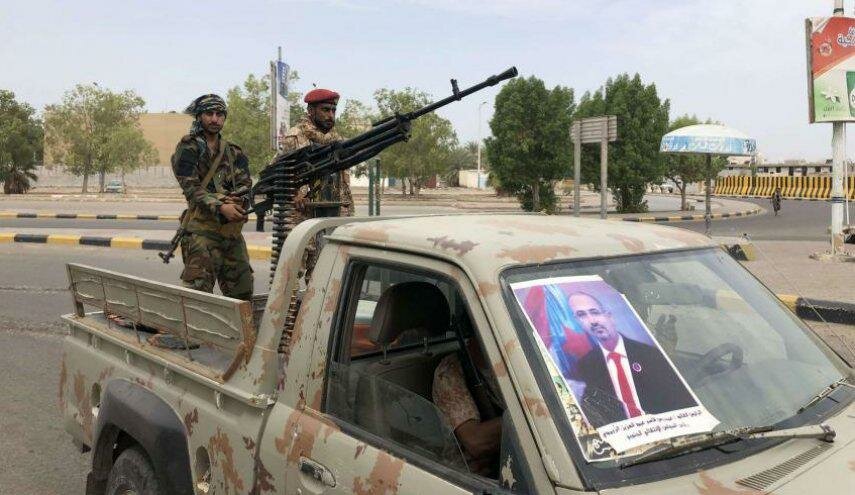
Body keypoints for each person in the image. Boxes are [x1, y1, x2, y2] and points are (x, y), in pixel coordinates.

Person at [568, 292, 696, 428]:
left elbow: (683, 404)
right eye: (582, 315)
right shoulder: (583, 368)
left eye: (595, 312)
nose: (592, 321)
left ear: (609, 316)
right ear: (578, 323)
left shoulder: (651, 355)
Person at [170, 94, 253, 301]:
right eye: (209, 114)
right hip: (202, 232)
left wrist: (239, 201)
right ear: (199, 116)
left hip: (231, 233)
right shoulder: (188, 148)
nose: (215, 119)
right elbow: (191, 188)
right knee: (198, 294)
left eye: (219, 114)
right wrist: (221, 205)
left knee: (242, 293)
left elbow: (245, 185)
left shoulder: (234, 152)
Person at [277, 88, 354, 219]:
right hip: (301, 217)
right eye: (325, 110)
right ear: (311, 111)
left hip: (335, 213)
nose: (331, 115)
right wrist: (294, 195)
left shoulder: (337, 140)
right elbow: (277, 174)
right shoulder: (294, 137)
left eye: (333, 110)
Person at [432, 338, 503, 477]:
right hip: (468, 478)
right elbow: (476, 441)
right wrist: (524, 419)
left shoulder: (518, 364)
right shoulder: (449, 372)